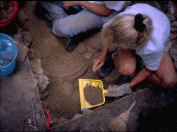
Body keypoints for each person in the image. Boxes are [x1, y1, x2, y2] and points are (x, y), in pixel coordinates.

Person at [92, 3, 177, 97]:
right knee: (126, 69)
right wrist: (102, 55)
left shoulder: (153, 46)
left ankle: (129, 67)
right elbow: (110, 33)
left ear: (131, 44)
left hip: (158, 39)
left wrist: (127, 87)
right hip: (135, 37)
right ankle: (115, 57)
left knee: (169, 81)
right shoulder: (123, 20)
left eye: (117, 44)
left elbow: (149, 69)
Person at [38, 1, 130, 52]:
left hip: (99, 13)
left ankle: (56, 23)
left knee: (63, 29)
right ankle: (65, 16)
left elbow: (105, 12)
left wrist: (79, 2)